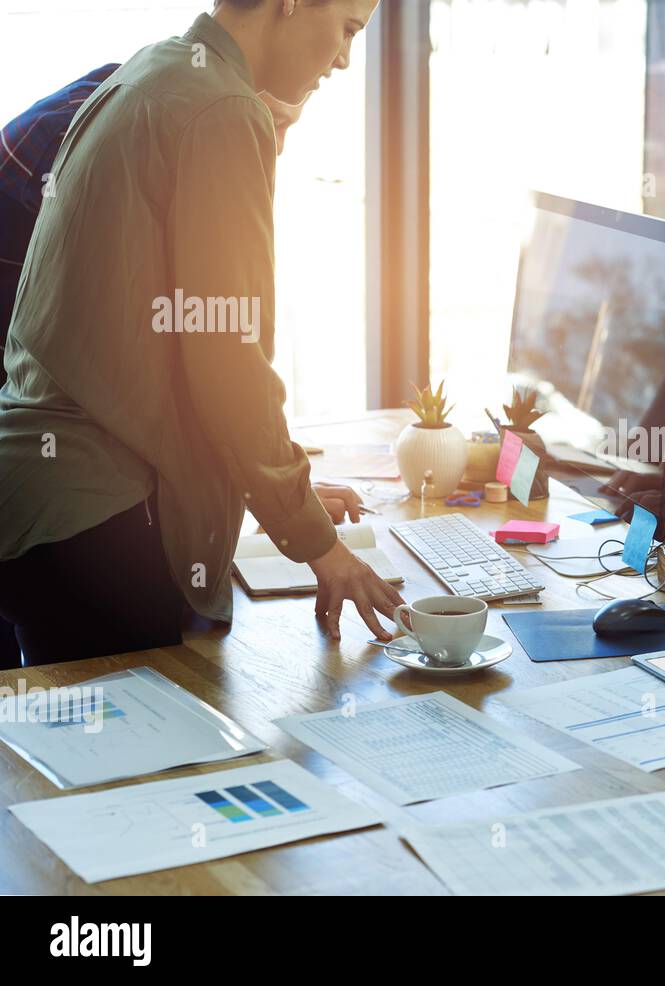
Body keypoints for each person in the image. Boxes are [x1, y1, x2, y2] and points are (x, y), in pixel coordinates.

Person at [0, 0, 394, 666]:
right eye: (349, 30)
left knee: (93, 761)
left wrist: (275, 491)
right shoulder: (221, 107)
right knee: (151, 766)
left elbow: (162, 351)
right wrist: (317, 544)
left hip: (41, 503)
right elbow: (229, 365)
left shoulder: (154, 71)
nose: (344, 59)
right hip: (98, 525)